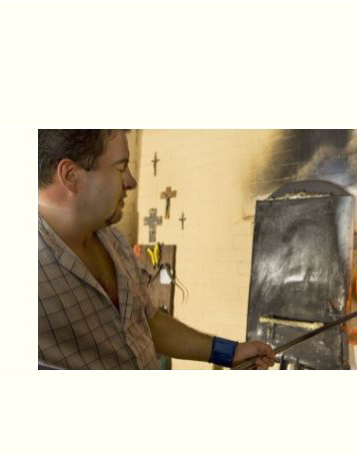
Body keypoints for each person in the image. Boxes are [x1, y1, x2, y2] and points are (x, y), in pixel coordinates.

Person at [38, 129, 275, 370]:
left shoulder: (114, 241)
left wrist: (230, 352)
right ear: (71, 175)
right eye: (121, 168)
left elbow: (148, 322)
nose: (131, 181)